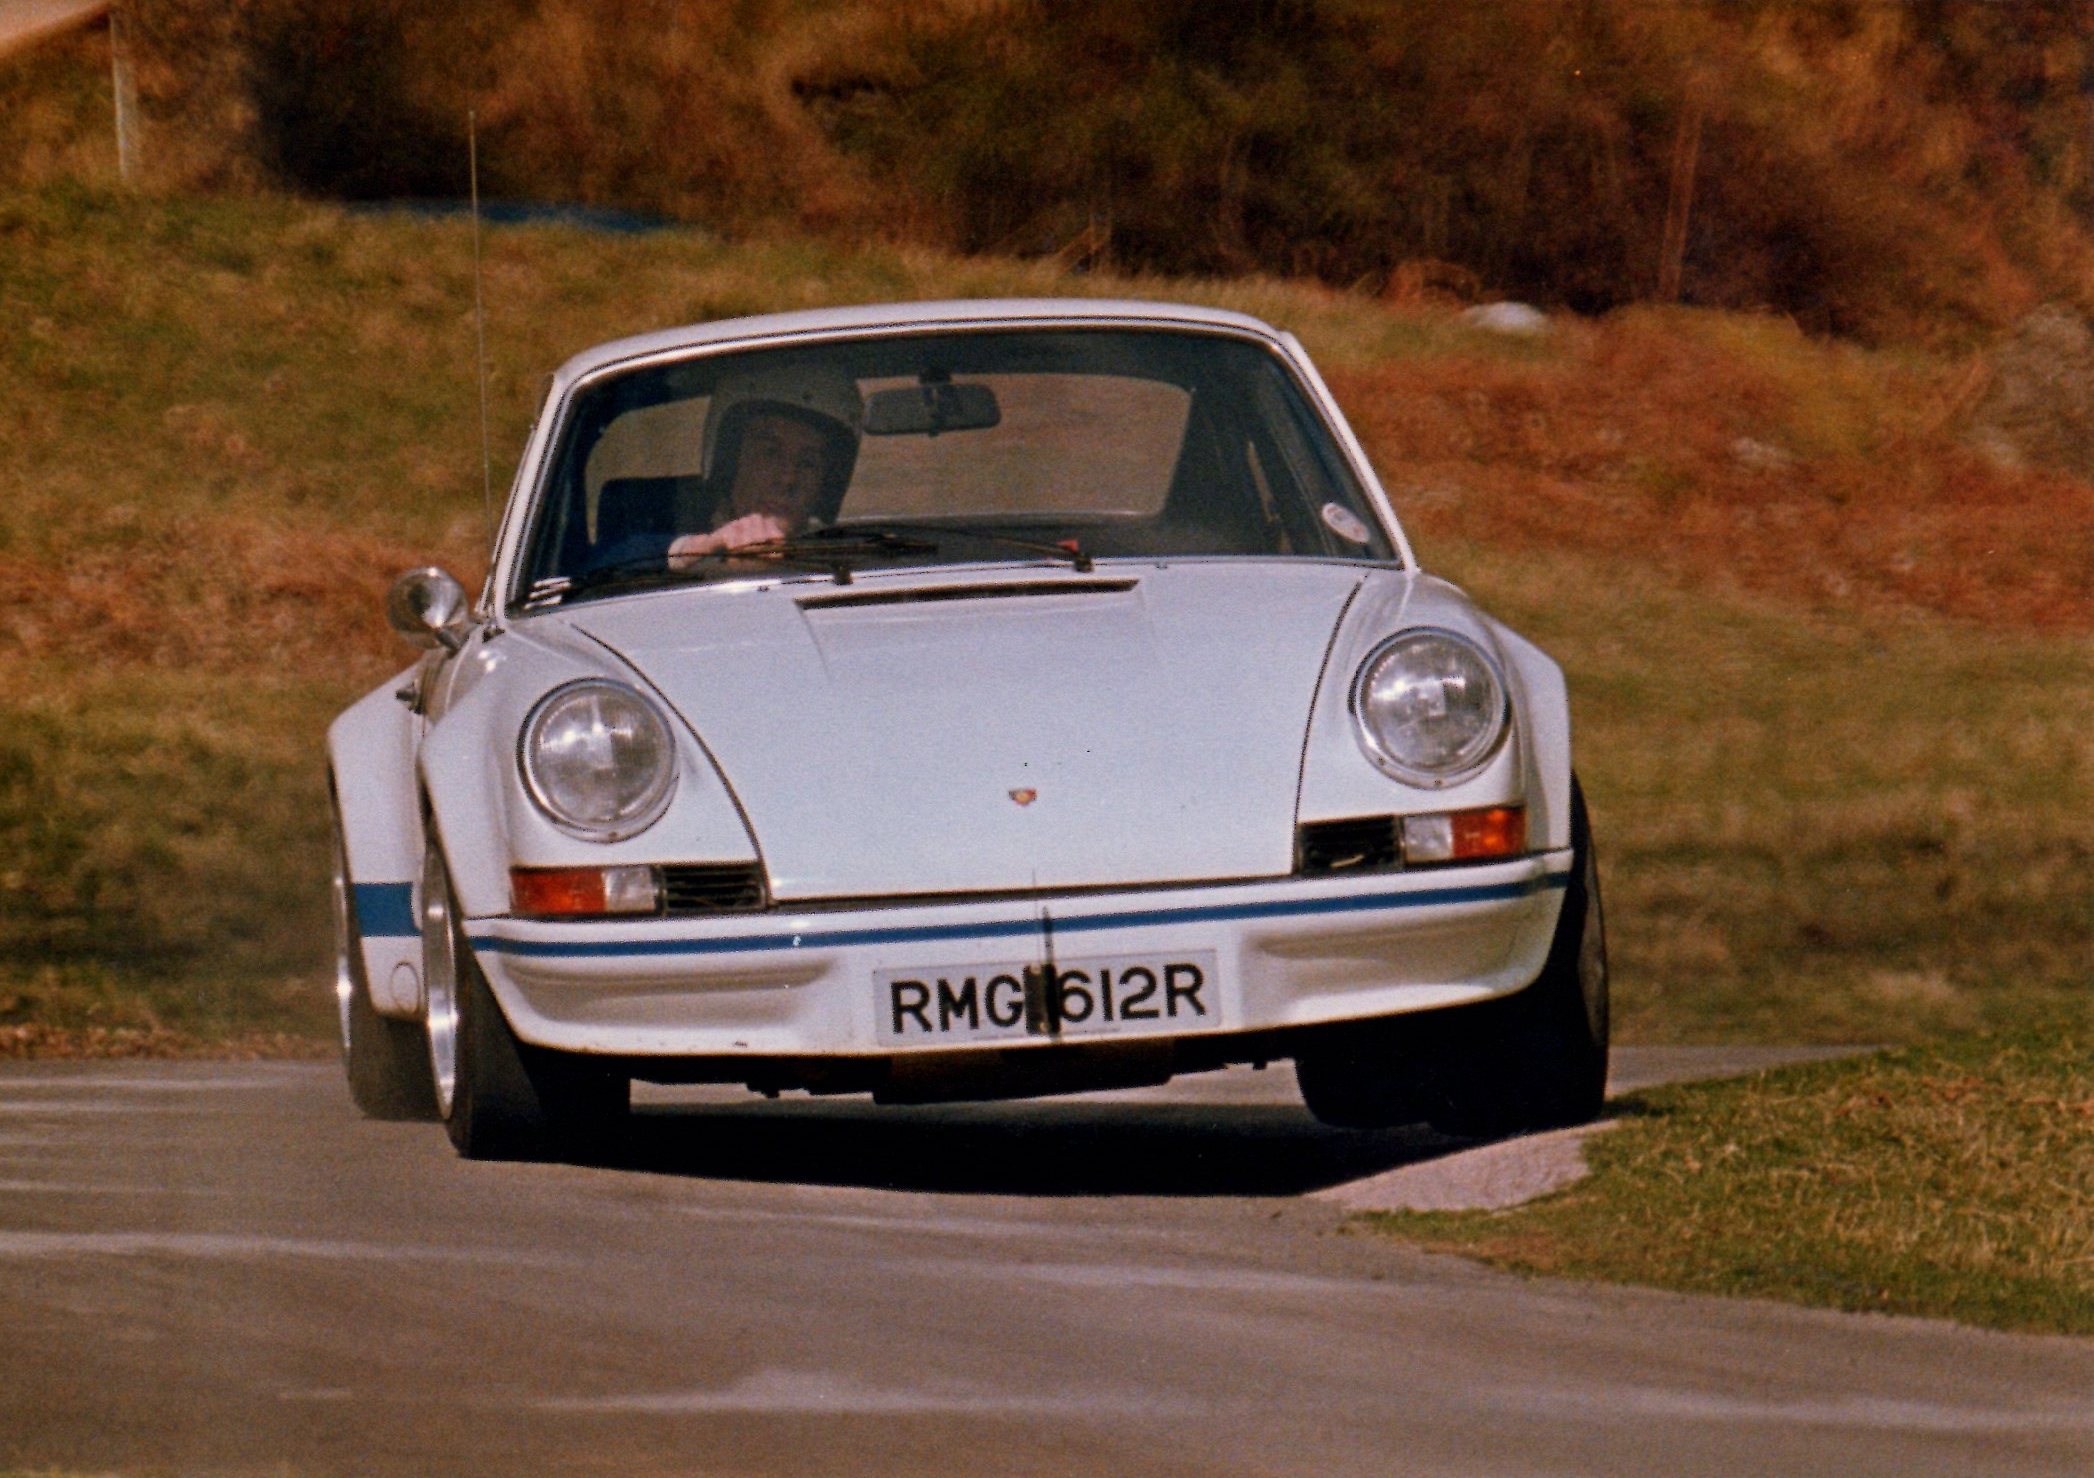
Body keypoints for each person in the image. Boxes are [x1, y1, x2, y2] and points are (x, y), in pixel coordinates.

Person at [666, 367, 863, 570]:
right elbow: (647, 553)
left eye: (808, 463)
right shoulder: (664, 529)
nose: (788, 479)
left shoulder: (850, 567)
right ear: (729, 461)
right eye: (770, 453)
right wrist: (693, 553)